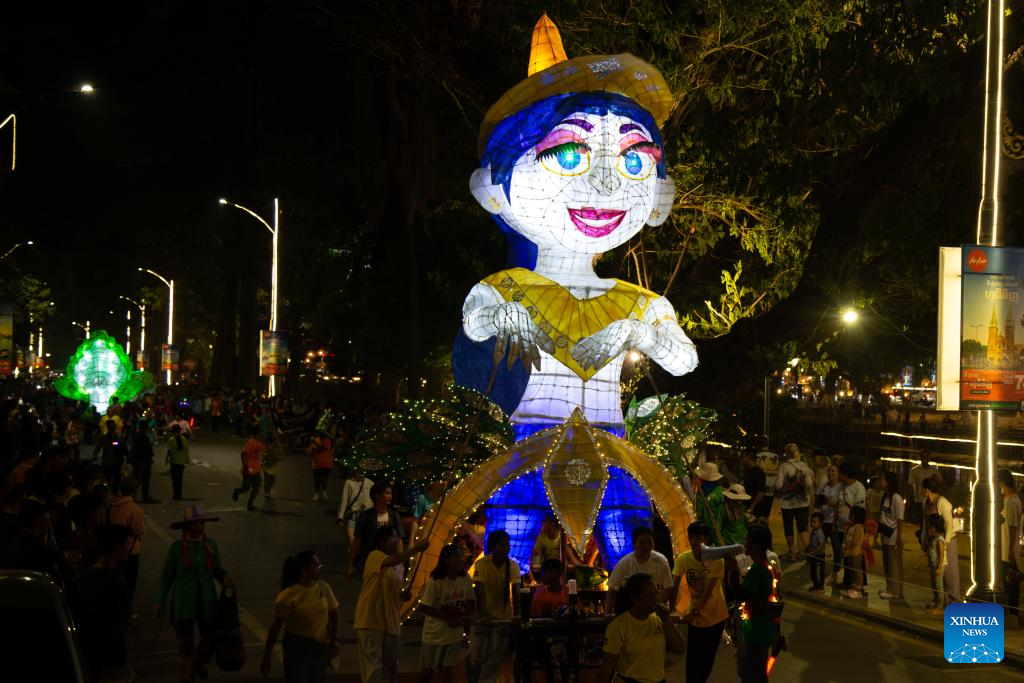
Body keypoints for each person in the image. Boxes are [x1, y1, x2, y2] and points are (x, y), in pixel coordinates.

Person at [156, 505, 234, 683]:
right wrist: (160, 600)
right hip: (184, 603)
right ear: (186, 527)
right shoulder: (176, 549)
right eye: (194, 524)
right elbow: (167, 575)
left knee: (211, 638)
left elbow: (217, 569)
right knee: (185, 643)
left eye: (200, 523)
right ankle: (187, 673)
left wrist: (226, 577)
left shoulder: (210, 545)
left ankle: (199, 663)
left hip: (207, 601)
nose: (198, 527)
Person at [353, 525, 429, 683]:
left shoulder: (399, 566)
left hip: (391, 622)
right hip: (371, 620)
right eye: (392, 538)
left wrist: (403, 595)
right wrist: (416, 549)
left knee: (392, 667)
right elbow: (393, 560)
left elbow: (393, 592)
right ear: (381, 542)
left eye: (397, 538)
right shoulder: (375, 556)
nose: (396, 541)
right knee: (373, 669)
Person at [261, 550, 339, 683]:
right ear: (304, 570)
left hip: (320, 646)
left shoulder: (324, 588)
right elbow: (276, 627)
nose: (320, 568)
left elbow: (334, 615)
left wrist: (333, 641)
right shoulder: (288, 596)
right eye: (316, 565)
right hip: (297, 647)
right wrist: (267, 656)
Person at [598, 572, 686, 683]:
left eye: (656, 593)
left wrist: (666, 620)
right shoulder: (619, 626)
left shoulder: (658, 619)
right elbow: (607, 666)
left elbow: (680, 649)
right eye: (650, 595)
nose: (655, 598)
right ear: (635, 599)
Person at [74, 524, 134, 682]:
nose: (130, 549)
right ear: (117, 547)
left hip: (88, 651)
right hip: (110, 652)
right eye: (128, 544)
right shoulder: (112, 579)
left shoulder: (84, 577)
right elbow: (124, 614)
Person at [672, 522, 727, 683]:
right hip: (696, 619)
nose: (695, 541)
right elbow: (673, 584)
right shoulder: (683, 558)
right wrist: (672, 608)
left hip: (716, 616)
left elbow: (708, 591)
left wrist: (693, 612)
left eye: (699, 537)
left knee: (707, 659)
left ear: (707, 539)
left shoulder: (717, 560)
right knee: (693, 661)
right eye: (692, 537)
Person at [728, 524, 780, 683]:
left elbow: (740, 594)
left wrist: (732, 571)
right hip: (762, 630)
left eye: (747, 540)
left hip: (756, 631)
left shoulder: (758, 569)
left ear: (756, 545)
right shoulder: (765, 566)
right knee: (757, 674)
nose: (744, 544)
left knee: (751, 675)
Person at [469, 530, 521, 683]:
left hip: (503, 618)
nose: (506, 548)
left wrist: (516, 615)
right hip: (482, 618)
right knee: (477, 658)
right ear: (493, 546)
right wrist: (483, 613)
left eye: (507, 545)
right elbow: (479, 587)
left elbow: (516, 590)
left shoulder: (512, 565)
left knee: (494, 658)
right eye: (502, 545)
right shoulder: (482, 564)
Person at [418, 544, 475, 683]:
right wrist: (447, 618)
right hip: (434, 634)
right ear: (445, 560)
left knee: (447, 670)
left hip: (453, 633)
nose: (461, 560)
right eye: (456, 557)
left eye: (462, 556)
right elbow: (424, 606)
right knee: (427, 672)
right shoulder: (436, 581)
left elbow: (470, 600)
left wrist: (467, 618)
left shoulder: (465, 578)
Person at [605, 526, 673, 612]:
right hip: (631, 612)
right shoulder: (624, 563)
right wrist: (607, 614)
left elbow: (668, 587)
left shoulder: (661, 561)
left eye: (649, 543)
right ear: (634, 544)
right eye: (642, 543)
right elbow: (611, 589)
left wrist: (657, 610)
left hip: (655, 610)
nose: (646, 546)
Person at [348, 482, 405, 577]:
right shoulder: (366, 516)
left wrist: (400, 564)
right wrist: (350, 565)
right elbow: (357, 540)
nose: (390, 496)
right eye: (387, 493)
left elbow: (399, 540)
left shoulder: (394, 517)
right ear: (377, 495)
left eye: (391, 493)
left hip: (389, 561)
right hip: (370, 560)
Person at [106, 475, 146, 608]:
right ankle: (125, 608)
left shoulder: (112, 505)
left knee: (115, 581)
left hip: (113, 547)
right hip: (130, 549)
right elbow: (139, 530)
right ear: (134, 490)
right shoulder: (134, 509)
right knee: (129, 582)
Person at [921, 477, 960, 603]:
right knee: (936, 571)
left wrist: (946, 544)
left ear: (927, 490)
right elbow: (925, 523)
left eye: (922, 489)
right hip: (934, 540)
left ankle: (953, 600)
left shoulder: (943, 503)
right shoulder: (926, 502)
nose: (921, 491)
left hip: (947, 540)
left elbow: (949, 525)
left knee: (949, 573)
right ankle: (940, 599)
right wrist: (925, 539)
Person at [774, 443, 814, 560]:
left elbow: (779, 485)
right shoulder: (804, 466)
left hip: (787, 503)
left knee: (788, 527)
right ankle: (810, 551)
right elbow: (809, 484)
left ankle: (792, 553)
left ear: (787, 453)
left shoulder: (784, 466)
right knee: (803, 527)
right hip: (803, 502)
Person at [836, 463, 866, 588]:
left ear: (845, 474)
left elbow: (859, 509)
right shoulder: (841, 486)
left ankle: (858, 584)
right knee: (846, 555)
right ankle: (848, 581)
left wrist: (853, 524)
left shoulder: (858, 487)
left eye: (840, 473)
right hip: (843, 526)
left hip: (853, 527)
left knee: (855, 557)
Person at [877, 471, 905, 600]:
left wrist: (899, 537)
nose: (880, 482)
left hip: (893, 536)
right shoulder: (885, 496)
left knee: (895, 565)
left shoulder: (897, 498)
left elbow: (900, 519)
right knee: (887, 564)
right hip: (885, 534)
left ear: (889, 482)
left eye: (882, 479)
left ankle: (896, 591)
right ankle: (890, 587)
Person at [1000, 468, 1022, 624]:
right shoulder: (1010, 500)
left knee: (1011, 583)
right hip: (1006, 549)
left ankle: (1014, 614)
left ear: (1003, 483)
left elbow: (1013, 527)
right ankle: (1013, 612)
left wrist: (1010, 552)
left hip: (1008, 550)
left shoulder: (1011, 501)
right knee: (1009, 581)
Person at [816, 464, 843, 585]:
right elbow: (817, 503)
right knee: (819, 548)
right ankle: (818, 574)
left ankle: (835, 575)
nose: (830, 473)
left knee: (837, 549)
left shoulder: (841, 488)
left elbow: (842, 505)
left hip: (835, 523)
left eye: (833, 471)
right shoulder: (823, 487)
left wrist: (833, 503)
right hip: (823, 521)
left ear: (838, 473)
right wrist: (819, 501)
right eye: (829, 471)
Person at [337, 470, 375, 544]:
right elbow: (344, 500)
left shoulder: (369, 482)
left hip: (366, 516)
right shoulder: (348, 482)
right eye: (360, 471)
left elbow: (377, 493)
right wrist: (340, 517)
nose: (362, 473)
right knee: (352, 544)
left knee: (364, 543)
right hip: (353, 516)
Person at [232, 428, 265, 511]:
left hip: (257, 470)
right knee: (246, 488)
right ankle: (237, 491)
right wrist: (246, 465)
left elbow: (263, 451)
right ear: (258, 434)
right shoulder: (251, 443)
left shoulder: (259, 442)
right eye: (261, 432)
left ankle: (250, 505)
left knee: (256, 488)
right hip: (249, 470)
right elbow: (243, 454)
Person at [841, 506, 867, 599]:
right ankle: (852, 588)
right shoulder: (852, 526)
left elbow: (855, 541)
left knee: (857, 571)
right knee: (852, 570)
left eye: (850, 514)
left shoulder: (859, 527)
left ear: (854, 516)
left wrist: (848, 546)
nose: (849, 515)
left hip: (856, 552)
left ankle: (858, 590)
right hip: (850, 553)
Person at [131, 417, 159, 503]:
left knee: (140, 479)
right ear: (146, 427)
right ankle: (141, 496)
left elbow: (134, 448)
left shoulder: (139, 435)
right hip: (142, 460)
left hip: (141, 460)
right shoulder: (142, 436)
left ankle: (137, 496)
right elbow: (143, 449)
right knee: (141, 479)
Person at [924, 513, 947, 615]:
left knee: (938, 586)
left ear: (936, 528)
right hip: (933, 565)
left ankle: (940, 607)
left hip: (939, 566)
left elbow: (941, 555)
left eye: (931, 527)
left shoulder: (940, 540)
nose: (930, 529)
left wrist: (939, 567)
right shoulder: (934, 538)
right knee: (933, 585)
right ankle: (936, 602)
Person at [907, 451, 938, 525]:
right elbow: (910, 485)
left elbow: (939, 483)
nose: (925, 459)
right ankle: (923, 534)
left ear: (929, 457)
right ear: (920, 457)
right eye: (923, 457)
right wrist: (908, 499)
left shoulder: (934, 470)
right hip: (920, 499)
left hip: (931, 499)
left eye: (926, 456)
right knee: (922, 520)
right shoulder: (914, 470)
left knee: (931, 520)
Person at [93, 419, 125, 486]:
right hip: (108, 461)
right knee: (109, 479)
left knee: (115, 479)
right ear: (108, 427)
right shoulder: (104, 438)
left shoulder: (118, 437)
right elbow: (98, 447)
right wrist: (95, 455)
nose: (113, 427)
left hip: (115, 461)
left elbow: (120, 446)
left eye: (114, 425)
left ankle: (113, 492)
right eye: (112, 425)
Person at [754, 436, 779, 520]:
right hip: (771, 489)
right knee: (766, 516)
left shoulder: (757, 456)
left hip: (759, 490)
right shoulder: (775, 456)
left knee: (758, 515)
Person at [740, 450, 768, 519]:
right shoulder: (747, 471)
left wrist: (751, 507)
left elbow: (761, 492)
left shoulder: (759, 473)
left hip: (755, 510)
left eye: (744, 458)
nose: (742, 460)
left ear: (749, 459)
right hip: (747, 506)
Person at [165, 424, 190, 501]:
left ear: (173, 431)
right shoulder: (184, 439)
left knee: (174, 479)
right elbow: (186, 450)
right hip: (181, 462)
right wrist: (186, 460)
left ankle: (176, 495)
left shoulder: (171, 439)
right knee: (179, 479)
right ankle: (179, 495)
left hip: (174, 461)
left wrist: (166, 459)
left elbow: (169, 451)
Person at [309, 430, 334, 501]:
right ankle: (316, 494)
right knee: (316, 480)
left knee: (324, 478)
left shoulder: (327, 440)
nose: (316, 434)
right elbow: (311, 450)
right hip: (316, 463)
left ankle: (324, 491)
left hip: (326, 463)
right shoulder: (314, 441)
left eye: (318, 433)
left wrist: (316, 444)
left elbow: (324, 448)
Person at [805, 512, 827, 593]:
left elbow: (820, 545)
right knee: (813, 572)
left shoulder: (819, 532)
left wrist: (812, 552)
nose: (812, 523)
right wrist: (808, 548)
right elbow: (812, 543)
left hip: (818, 556)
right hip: (814, 556)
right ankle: (815, 585)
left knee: (818, 573)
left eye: (815, 522)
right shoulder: (813, 531)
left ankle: (820, 587)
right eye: (811, 521)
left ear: (820, 523)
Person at [262, 433, 282, 499]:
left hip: (273, 466)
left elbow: (281, 456)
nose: (266, 443)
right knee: (266, 480)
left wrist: (277, 458)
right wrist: (262, 461)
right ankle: (266, 493)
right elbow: (263, 455)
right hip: (266, 465)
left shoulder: (276, 448)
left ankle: (268, 490)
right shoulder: (266, 448)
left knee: (272, 480)